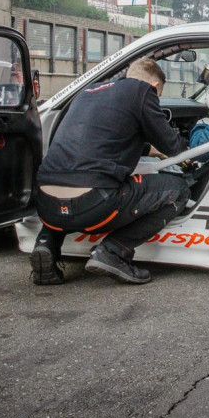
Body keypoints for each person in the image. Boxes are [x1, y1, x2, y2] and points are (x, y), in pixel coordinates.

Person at [30, 58, 189, 286]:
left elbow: (97, 142)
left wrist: (148, 150)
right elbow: (174, 146)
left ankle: (46, 244)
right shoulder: (143, 91)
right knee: (178, 190)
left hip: (47, 205)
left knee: (70, 179)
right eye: (158, 95)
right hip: (94, 204)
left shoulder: (86, 92)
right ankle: (113, 251)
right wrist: (189, 153)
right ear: (154, 86)